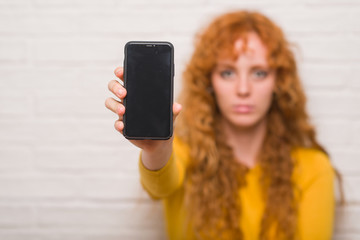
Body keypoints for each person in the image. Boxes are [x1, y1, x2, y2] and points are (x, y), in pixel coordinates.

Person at [105, 10, 344, 240]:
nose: (243, 89)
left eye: (259, 73)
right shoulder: (185, 155)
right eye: (228, 73)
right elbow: (159, 185)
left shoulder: (314, 168)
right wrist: (155, 149)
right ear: (208, 82)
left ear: (279, 82)